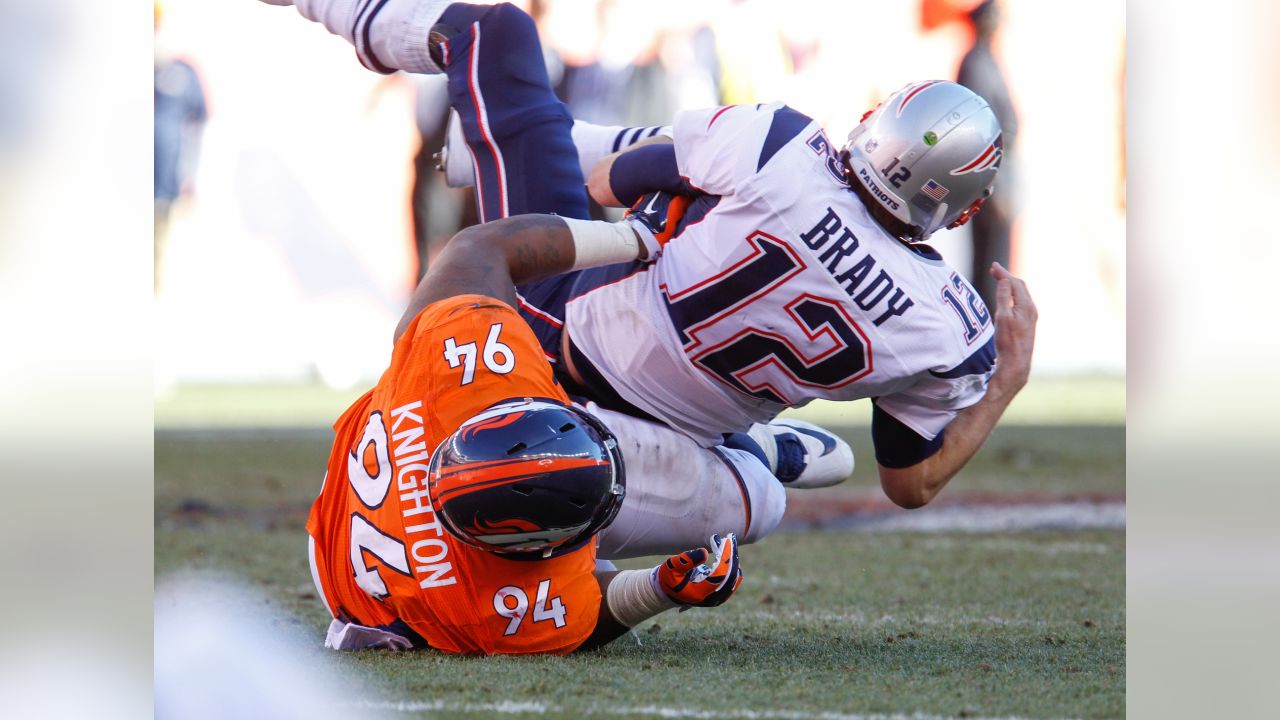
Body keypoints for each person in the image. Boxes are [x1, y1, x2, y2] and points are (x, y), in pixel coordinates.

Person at [260, 1, 1035, 519]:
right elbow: (911, 483)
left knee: (492, 33)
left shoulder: (784, 146)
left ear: (878, 123)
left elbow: (603, 176)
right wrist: (1005, 382)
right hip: (669, 446)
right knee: (764, 500)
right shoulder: (949, 328)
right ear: (959, 206)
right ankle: (755, 447)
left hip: (550, 333)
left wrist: (532, 141)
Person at [307, 205, 748, 654]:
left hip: (351, 546)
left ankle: (760, 452)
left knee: (748, 492)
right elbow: (587, 613)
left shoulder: (446, 363)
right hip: (361, 574)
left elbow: (477, 248)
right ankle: (760, 452)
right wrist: (658, 587)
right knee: (755, 496)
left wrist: (657, 589)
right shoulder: (483, 607)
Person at [957, 0, 1019, 311]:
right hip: (990, 176)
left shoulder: (987, 60)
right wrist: (990, 184)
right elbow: (981, 131)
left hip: (1001, 173)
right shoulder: (976, 62)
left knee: (997, 256)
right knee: (989, 261)